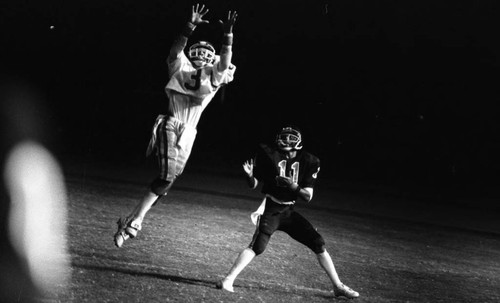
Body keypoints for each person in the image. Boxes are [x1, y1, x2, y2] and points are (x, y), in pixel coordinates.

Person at [114, 3, 238, 248]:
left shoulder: (214, 73)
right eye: (198, 51)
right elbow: (175, 49)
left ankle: (130, 222)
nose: (201, 55)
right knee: (167, 176)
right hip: (171, 124)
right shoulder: (180, 66)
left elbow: (224, 62)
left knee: (167, 182)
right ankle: (135, 223)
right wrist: (189, 26)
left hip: (189, 132)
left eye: (206, 53)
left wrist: (228, 35)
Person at [216, 126, 360, 299]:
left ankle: (338, 286)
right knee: (257, 247)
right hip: (272, 209)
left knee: (318, 243)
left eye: (289, 139)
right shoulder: (269, 155)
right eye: (283, 138)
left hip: (288, 211)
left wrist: (292, 185)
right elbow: (254, 184)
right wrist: (249, 175)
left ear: (297, 143)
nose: (284, 142)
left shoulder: (309, 160)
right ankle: (228, 280)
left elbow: (307, 196)